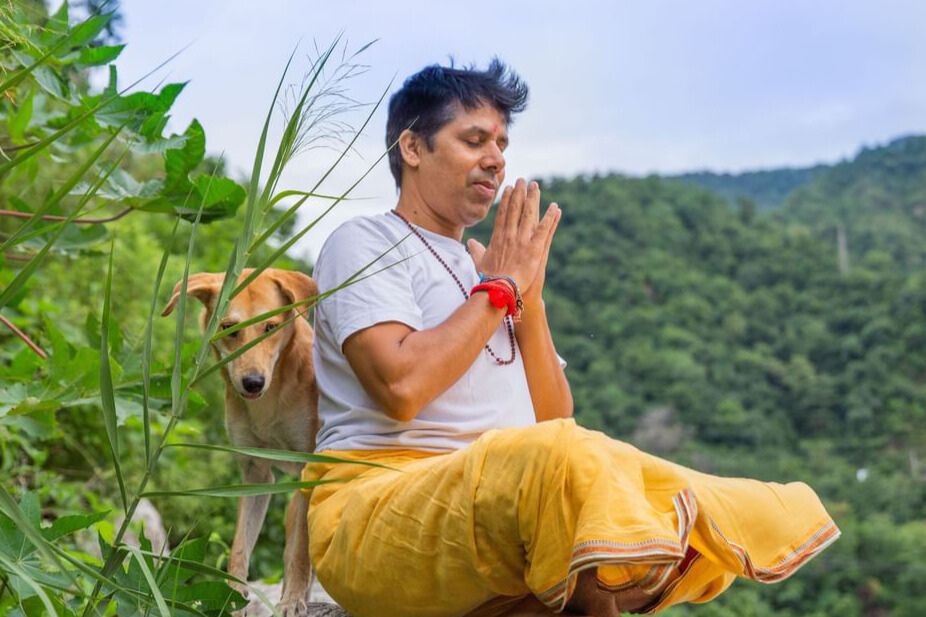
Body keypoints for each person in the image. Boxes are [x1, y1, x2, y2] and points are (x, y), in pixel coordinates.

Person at [302, 60, 838, 617]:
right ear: (413, 148)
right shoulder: (364, 241)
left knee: (630, 476)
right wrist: (500, 288)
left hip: (496, 518)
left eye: (502, 143)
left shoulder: (484, 269)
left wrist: (527, 302)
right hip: (376, 517)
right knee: (568, 463)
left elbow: (555, 416)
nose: (496, 159)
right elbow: (402, 386)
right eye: (474, 139)